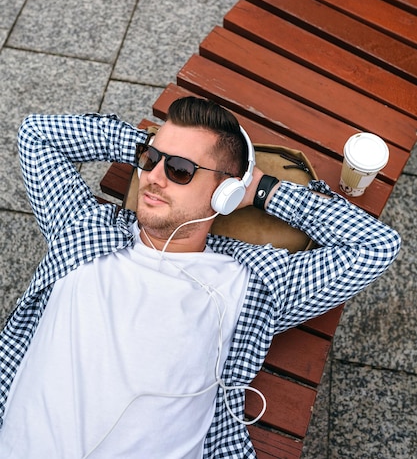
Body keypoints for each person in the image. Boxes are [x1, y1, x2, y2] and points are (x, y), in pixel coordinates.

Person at [0, 96, 400, 458]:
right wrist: (142, 146)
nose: (153, 177)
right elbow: (37, 136)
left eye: (179, 169)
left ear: (224, 192)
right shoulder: (84, 226)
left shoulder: (251, 281)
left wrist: (261, 190)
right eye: (150, 160)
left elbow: (374, 247)